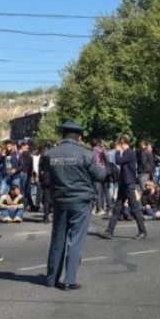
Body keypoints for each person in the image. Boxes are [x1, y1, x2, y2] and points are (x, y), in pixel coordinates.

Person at [41, 121, 107, 290]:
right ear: (79, 137)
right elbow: (100, 175)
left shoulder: (49, 154)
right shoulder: (86, 154)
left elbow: (45, 174)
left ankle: (51, 278)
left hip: (59, 201)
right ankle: (69, 280)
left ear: (63, 134)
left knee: (57, 239)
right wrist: (103, 164)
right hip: (80, 201)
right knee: (75, 240)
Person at [103, 135, 147, 239]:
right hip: (123, 184)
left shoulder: (130, 153)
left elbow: (118, 160)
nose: (118, 146)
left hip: (129, 184)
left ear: (123, 142)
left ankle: (142, 231)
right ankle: (109, 231)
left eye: (119, 143)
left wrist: (118, 151)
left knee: (134, 208)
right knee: (117, 208)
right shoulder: (127, 153)